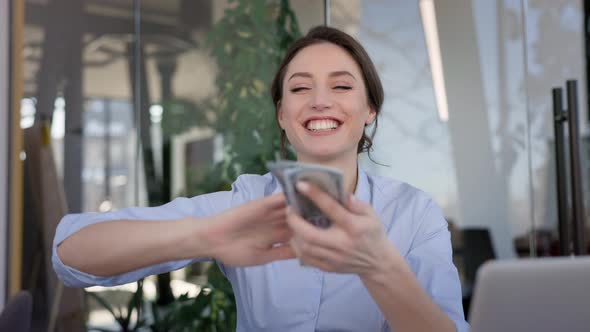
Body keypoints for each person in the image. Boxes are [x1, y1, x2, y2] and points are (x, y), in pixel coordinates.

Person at [53, 26, 469, 332]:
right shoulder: (245, 203)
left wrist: (380, 267)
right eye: (300, 88)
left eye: (341, 86)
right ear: (283, 116)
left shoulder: (415, 214)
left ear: (370, 111)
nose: (320, 101)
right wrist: (204, 236)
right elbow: (70, 254)